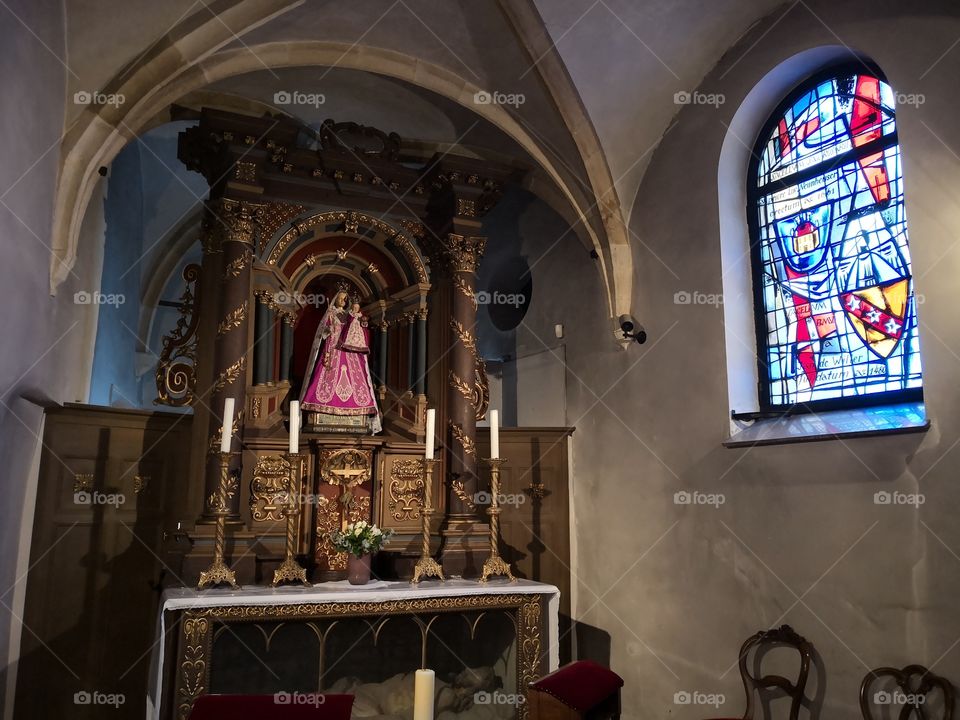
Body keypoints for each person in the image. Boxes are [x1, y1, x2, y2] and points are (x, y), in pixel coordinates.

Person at [299, 291, 381, 433]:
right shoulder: (330, 313)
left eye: (345, 299)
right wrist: (328, 330)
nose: (343, 301)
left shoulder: (350, 315)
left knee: (356, 378)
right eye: (340, 298)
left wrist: (360, 323)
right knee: (326, 378)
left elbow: (360, 331)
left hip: (349, 352)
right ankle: (322, 410)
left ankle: (356, 411)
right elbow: (322, 334)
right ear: (335, 299)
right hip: (333, 350)